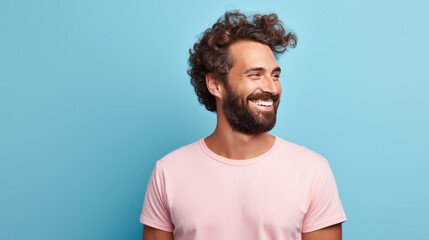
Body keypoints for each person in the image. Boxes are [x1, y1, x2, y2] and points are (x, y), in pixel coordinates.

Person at [140, 10, 347, 240]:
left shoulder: (313, 171)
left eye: (275, 76)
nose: (272, 88)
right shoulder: (168, 173)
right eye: (255, 74)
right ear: (215, 85)